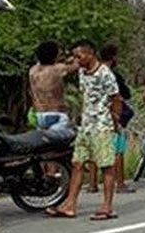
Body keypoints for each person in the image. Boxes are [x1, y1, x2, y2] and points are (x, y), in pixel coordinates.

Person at [47, 40, 121, 222]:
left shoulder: (105, 74)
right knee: (77, 163)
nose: (76, 59)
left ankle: (107, 206)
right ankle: (70, 204)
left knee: (106, 165)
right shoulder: (82, 72)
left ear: (90, 54)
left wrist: (115, 122)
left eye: (79, 56)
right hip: (86, 125)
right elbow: (85, 96)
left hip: (102, 125)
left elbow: (115, 98)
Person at [99, 44, 135, 195]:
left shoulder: (92, 73)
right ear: (113, 57)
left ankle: (93, 184)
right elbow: (123, 96)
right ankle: (120, 183)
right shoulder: (113, 75)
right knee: (118, 149)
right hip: (112, 115)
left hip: (96, 115)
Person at [27, 41, 75, 131]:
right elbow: (76, 65)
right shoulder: (58, 69)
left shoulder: (33, 70)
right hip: (57, 114)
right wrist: (74, 58)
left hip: (40, 115)